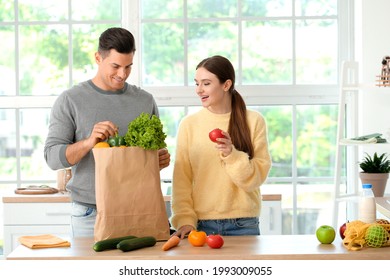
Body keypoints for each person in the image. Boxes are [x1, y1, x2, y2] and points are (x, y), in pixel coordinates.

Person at [44, 27, 170, 237]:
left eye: (128, 66)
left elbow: (148, 158)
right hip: (89, 212)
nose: (122, 74)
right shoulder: (70, 100)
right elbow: (52, 158)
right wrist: (89, 142)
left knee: (135, 271)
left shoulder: (145, 101)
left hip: (138, 209)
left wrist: (158, 159)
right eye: (116, 66)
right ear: (97, 58)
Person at [170, 55, 271, 238]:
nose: (199, 90)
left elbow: (256, 178)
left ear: (226, 85)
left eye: (206, 83)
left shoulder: (254, 121)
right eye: (197, 83)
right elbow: (181, 181)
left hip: (244, 224)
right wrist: (185, 220)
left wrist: (232, 155)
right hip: (200, 225)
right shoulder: (189, 124)